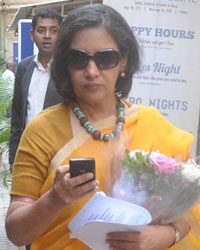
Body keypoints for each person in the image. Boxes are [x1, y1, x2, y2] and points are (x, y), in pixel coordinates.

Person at [5, 4, 200, 250]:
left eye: (105, 58)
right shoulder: (42, 130)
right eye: (79, 59)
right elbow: (16, 233)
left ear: (123, 62)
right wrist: (54, 200)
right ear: (65, 63)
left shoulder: (151, 123)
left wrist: (166, 235)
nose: (91, 71)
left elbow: (191, 207)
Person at [9, 8, 63, 166]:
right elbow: (18, 115)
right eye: (41, 30)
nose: (47, 36)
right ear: (32, 35)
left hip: (58, 155)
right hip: (28, 153)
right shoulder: (24, 67)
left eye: (54, 31)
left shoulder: (69, 70)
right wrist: (13, 157)